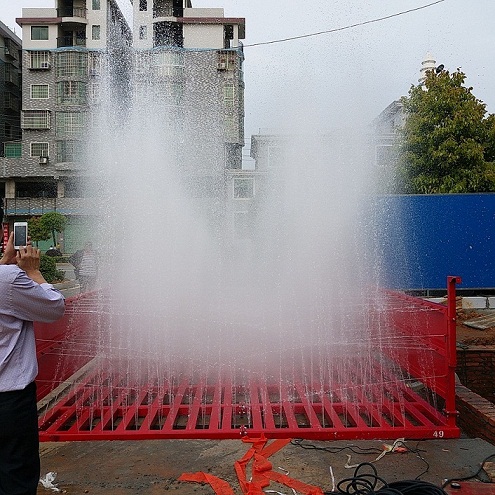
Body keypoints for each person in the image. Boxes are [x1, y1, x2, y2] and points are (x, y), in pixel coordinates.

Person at [0, 232, 65, 495]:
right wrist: (35, 273)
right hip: (9, 401)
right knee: (16, 475)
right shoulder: (8, 281)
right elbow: (54, 308)